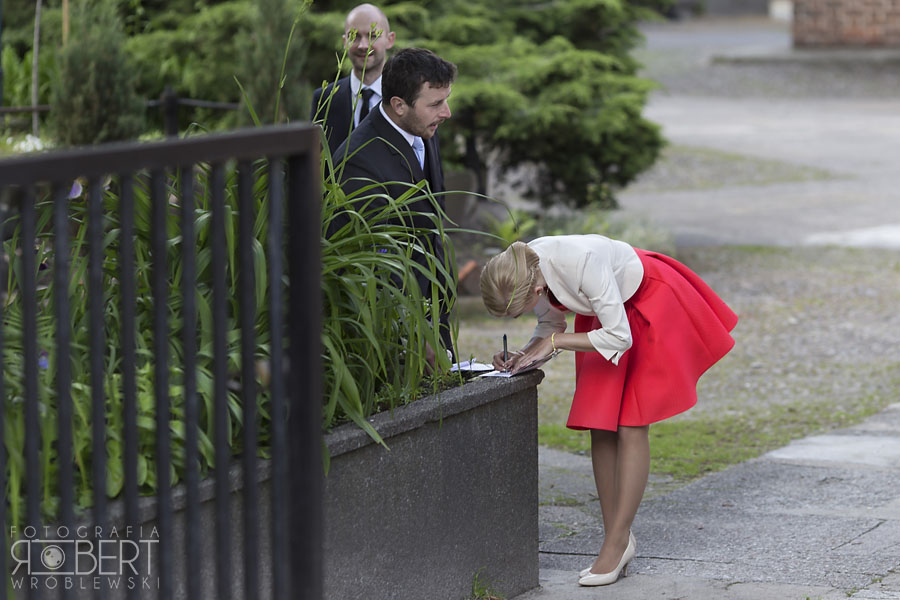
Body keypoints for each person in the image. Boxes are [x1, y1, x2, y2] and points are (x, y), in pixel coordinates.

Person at [479, 235, 738, 587]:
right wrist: (523, 355)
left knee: (631, 424)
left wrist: (554, 344)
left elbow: (618, 336)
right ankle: (616, 539)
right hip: (604, 316)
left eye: (518, 311)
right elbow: (552, 324)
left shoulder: (581, 262)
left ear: (536, 290)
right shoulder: (524, 267)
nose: (522, 315)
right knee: (599, 424)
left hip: (646, 304)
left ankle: (616, 543)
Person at [331, 47, 457, 356]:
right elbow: (372, 263)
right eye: (436, 103)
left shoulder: (421, 127)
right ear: (399, 105)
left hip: (433, 316)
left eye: (446, 100)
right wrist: (413, 332)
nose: (446, 113)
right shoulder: (357, 161)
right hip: (395, 338)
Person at [310, 3, 396, 156]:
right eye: (354, 36)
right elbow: (315, 159)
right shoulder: (325, 99)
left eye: (373, 36)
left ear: (390, 40)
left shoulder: (406, 96)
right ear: (345, 42)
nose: (363, 45)